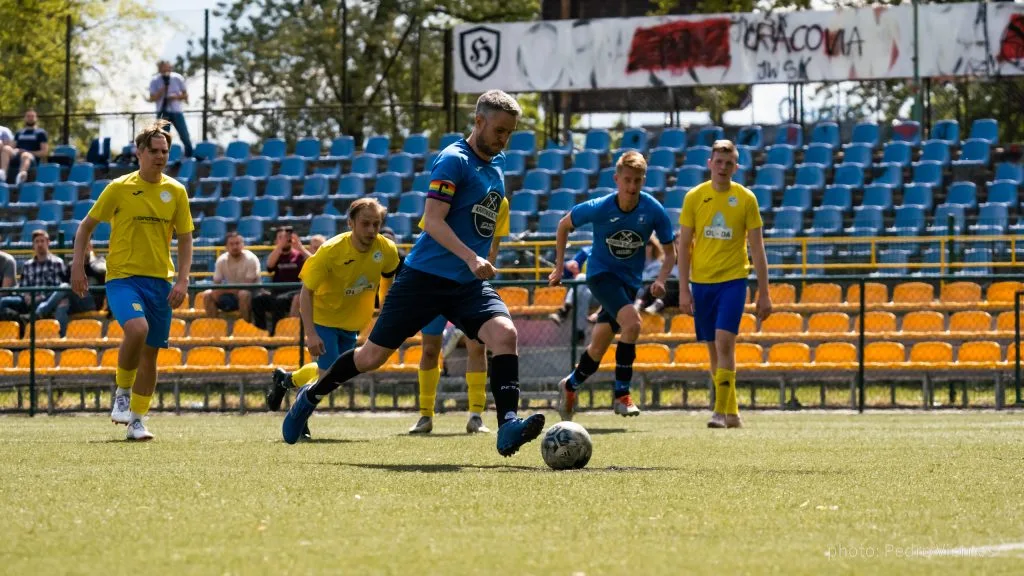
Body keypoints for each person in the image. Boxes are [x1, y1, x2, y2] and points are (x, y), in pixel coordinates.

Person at [281, 90, 545, 456]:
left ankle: (508, 426)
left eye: (510, 133)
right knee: (371, 357)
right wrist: (471, 257)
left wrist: (476, 262)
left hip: (467, 285)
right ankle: (309, 397)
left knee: (504, 335)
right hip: (424, 279)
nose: (504, 139)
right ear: (479, 121)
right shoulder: (453, 161)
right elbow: (434, 222)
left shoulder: (497, 164)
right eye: (499, 130)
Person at [71, 119, 193, 441]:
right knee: (137, 329)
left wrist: (182, 281)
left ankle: (137, 421)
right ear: (139, 153)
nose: (160, 156)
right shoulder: (118, 188)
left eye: (165, 151)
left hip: (160, 281)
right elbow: (85, 227)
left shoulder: (176, 191)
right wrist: (77, 267)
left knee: (151, 354)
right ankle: (122, 393)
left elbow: (185, 238)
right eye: (154, 151)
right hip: (123, 278)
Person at [549, 151, 676, 421]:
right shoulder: (600, 206)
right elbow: (563, 225)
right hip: (601, 276)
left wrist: (661, 279)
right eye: (627, 180)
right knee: (633, 324)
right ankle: (621, 395)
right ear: (616, 179)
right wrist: (559, 267)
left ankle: (570, 384)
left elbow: (670, 251)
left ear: (644, 180)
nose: (632, 187)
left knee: (597, 348)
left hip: (629, 284)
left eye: (638, 181)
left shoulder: (653, 210)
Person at [265, 198, 399, 441]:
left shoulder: (386, 249)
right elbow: (306, 291)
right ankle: (300, 415)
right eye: (365, 224)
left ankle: (287, 380)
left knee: (332, 376)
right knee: (327, 375)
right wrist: (312, 334)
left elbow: (388, 280)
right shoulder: (330, 251)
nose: (371, 230)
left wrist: (386, 313)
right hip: (323, 319)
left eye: (376, 224)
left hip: (352, 323)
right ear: (351, 223)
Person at [677, 139, 772, 429]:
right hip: (702, 283)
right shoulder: (694, 197)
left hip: (733, 281)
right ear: (710, 164)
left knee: (724, 343)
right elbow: (684, 246)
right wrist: (683, 288)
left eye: (728, 163)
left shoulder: (746, 199)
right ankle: (732, 413)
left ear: (736, 167)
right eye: (718, 161)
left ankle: (718, 411)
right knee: (713, 351)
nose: (722, 167)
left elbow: (757, 249)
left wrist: (764, 293)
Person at [408, 193, 510, 435]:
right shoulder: (451, 193)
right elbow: (432, 229)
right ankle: (425, 416)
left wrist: (483, 270)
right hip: (435, 282)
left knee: (477, 346)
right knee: (430, 349)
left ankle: (476, 415)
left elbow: (493, 246)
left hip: (469, 286)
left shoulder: (500, 202)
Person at [252, 227, 308, 334]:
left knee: (280, 301)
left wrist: (300, 247)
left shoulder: (298, 255)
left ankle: (276, 333)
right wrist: (280, 247)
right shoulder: (276, 255)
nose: (284, 240)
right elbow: (269, 266)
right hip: (276, 292)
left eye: (287, 237)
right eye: (280, 238)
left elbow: (313, 262)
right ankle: (261, 331)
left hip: (293, 293)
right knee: (258, 300)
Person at [199, 232, 261, 321]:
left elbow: (248, 286)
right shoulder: (221, 260)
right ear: (226, 247)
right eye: (231, 244)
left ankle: (246, 327)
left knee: (244, 294)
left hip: (252, 295)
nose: (235, 247)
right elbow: (216, 284)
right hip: (232, 295)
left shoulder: (251, 259)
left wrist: (223, 290)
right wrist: (224, 290)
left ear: (243, 245)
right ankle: (215, 328)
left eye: (237, 243)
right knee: (207, 294)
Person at [21, 230, 72, 335]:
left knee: (62, 301)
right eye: (37, 241)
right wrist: (27, 297)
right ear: (33, 245)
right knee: (6, 302)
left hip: (51, 299)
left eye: (42, 241)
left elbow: (62, 287)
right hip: (32, 300)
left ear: (48, 242)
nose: (39, 244)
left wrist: (43, 297)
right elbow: (23, 287)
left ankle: (40, 313)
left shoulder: (58, 262)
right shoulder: (27, 265)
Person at [148, 60, 193, 157]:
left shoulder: (177, 78)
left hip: (176, 111)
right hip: (162, 112)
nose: (165, 70)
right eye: (162, 68)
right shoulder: (155, 80)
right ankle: (162, 158)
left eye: (167, 67)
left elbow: (185, 95)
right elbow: (151, 98)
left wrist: (175, 97)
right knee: (161, 137)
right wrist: (162, 90)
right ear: (159, 69)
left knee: (184, 135)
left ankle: (189, 156)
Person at [0, 109, 49, 185]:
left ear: (36, 118)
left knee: (25, 155)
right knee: (6, 148)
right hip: (17, 155)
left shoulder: (41, 133)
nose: (30, 118)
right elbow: (12, 146)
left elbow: (44, 152)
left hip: (31, 158)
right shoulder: (19, 132)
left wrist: (28, 152)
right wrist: (15, 150)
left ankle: (21, 175)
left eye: (32, 116)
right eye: (28, 116)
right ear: (25, 118)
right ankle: (3, 173)